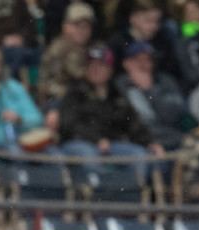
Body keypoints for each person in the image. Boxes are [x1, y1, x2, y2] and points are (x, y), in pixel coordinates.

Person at [58, 44, 162, 178]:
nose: (95, 70)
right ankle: (94, 195)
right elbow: (69, 124)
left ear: (110, 69)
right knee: (90, 156)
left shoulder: (116, 95)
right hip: (79, 143)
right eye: (91, 65)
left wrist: (150, 142)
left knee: (139, 155)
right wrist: (95, 139)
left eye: (101, 65)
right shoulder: (75, 92)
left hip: (111, 145)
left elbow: (133, 123)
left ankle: (133, 195)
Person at [115, 41, 188, 152]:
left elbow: (174, 116)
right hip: (139, 142)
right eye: (139, 60)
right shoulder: (117, 87)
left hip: (171, 138)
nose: (144, 65)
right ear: (126, 63)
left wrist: (150, 91)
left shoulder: (165, 82)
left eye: (148, 60)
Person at [39, 1, 94, 111]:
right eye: (77, 25)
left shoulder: (92, 48)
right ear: (65, 26)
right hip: (59, 100)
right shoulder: (57, 49)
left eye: (86, 26)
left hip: (84, 98)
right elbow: (47, 87)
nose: (82, 30)